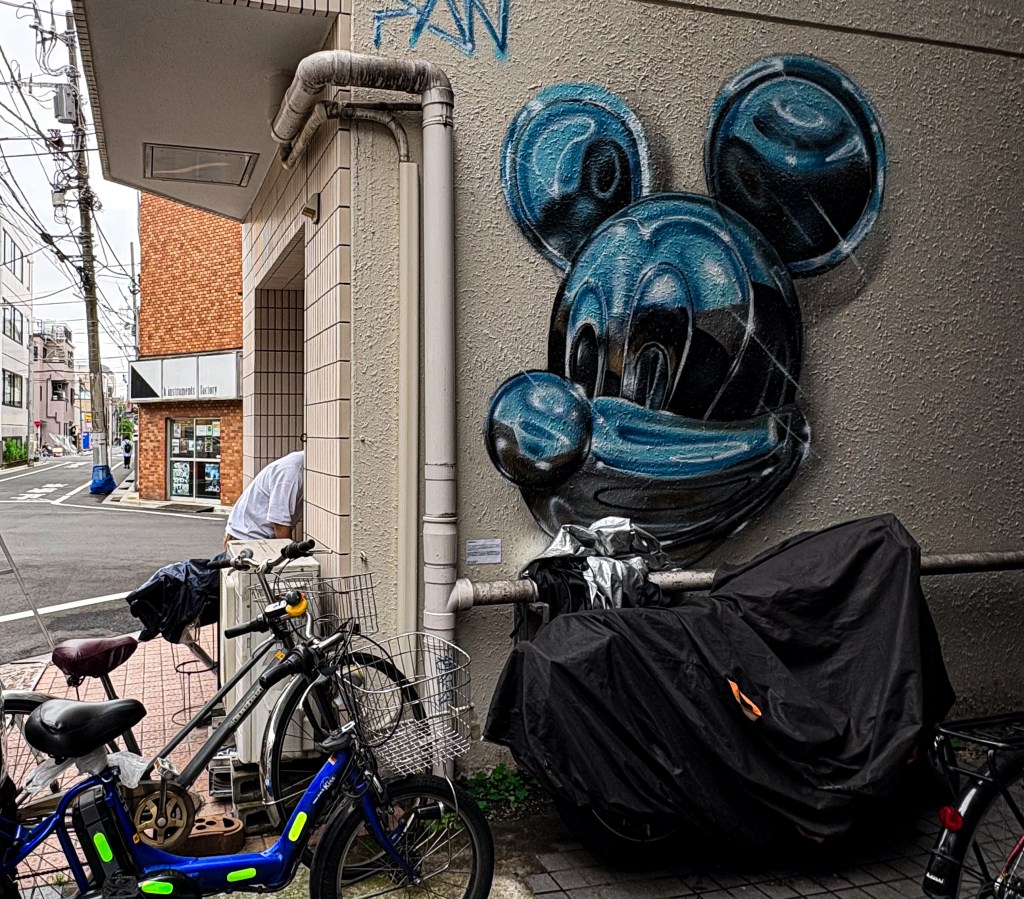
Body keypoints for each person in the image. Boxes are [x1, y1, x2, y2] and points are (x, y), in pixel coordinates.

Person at [224, 449, 304, 549]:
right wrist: (289, 556)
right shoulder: (292, 471)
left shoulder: (297, 465)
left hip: (250, 535)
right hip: (247, 538)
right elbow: (280, 523)